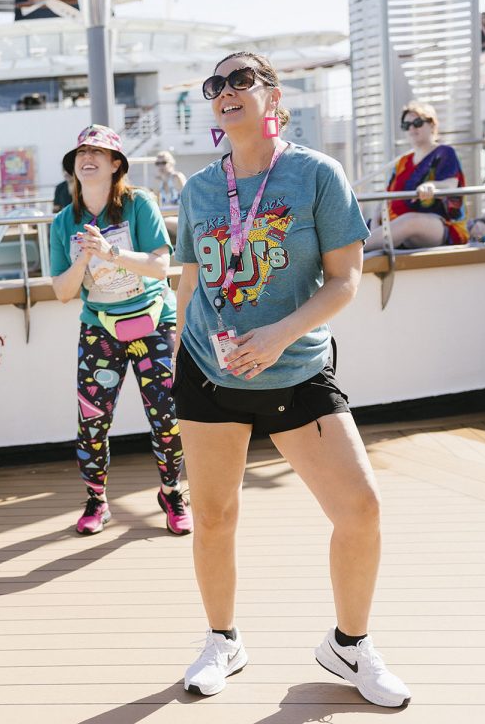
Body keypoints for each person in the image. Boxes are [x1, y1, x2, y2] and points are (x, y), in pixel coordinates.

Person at [175, 51, 410, 708]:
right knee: (214, 517)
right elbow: (190, 283)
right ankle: (222, 641)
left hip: (297, 369)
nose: (225, 90)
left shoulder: (315, 174)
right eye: (215, 84)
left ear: (273, 95)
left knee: (360, 509)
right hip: (208, 373)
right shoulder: (198, 190)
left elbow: (346, 279)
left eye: (241, 79)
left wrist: (278, 334)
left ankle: (349, 645)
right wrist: (177, 362)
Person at [49, 125, 189, 537]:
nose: (88, 158)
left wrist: (111, 252)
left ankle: (172, 493)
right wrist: (83, 258)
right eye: (81, 153)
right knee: (92, 419)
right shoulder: (63, 222)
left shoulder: (138, 203)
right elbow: (62, 292)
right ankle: (96, 500)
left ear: (116, 165)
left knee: (167, 416)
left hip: (154, 322)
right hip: (100, 329)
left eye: (98, 152)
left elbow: (161, 266)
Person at [365, 101, 467, 252]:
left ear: (432, 125)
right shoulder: (402, 162)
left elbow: (450, 184)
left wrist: (431, 186)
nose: (412, 128)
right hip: (394, 225)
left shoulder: (444, 152)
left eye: (417, 123)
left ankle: (351, 253)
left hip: (439, 225)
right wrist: (375, 222)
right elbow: (386, 197)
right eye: (406, 125)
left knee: (409, 221)